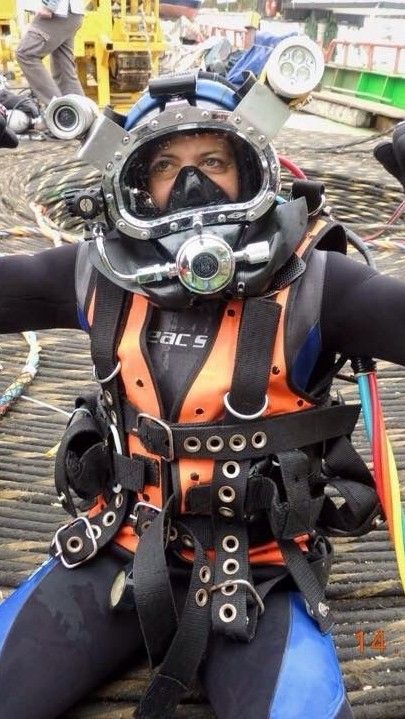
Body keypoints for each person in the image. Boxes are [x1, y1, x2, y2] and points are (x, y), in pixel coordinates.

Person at [0, 72, 405, 719]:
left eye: (213, 161)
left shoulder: (320, 286)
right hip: (116, 548)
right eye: (166, 166)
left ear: (249, 172)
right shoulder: (93, 275)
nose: (193, 186)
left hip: (261, 573)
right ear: (134, 182)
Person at [16, 0, 84, 107]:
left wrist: (49, 5)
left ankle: (58, 110)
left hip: (58, 11)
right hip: (71, 12)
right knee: (63, 69)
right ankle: (82, 114)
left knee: (26, 53)